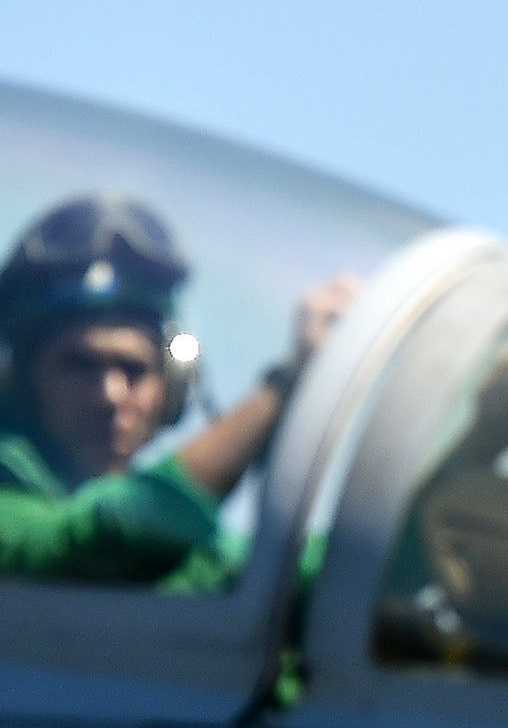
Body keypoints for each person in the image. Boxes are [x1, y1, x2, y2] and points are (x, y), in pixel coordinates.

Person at [0, 193, 357, 590]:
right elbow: (105, 540)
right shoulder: (23, 523)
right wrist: (286, 383)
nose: (110, 395)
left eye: (134, 370)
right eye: (79, 365)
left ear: (173, 385)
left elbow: (273, 578)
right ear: (19, 381)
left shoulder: (180, 558)